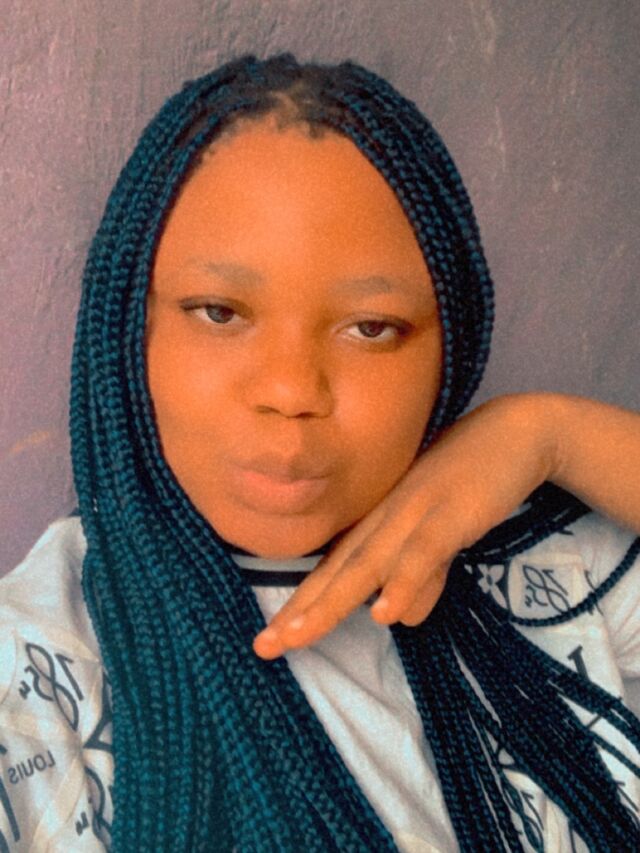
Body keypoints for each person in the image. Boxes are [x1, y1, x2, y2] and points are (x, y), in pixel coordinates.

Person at [0, 53, 639, 852]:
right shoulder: (31, 671)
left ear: (452, 348)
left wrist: (549, 433)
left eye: (371, 327)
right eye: (220, 311)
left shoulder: (558, 566)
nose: (292, 388)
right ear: (130, 326)